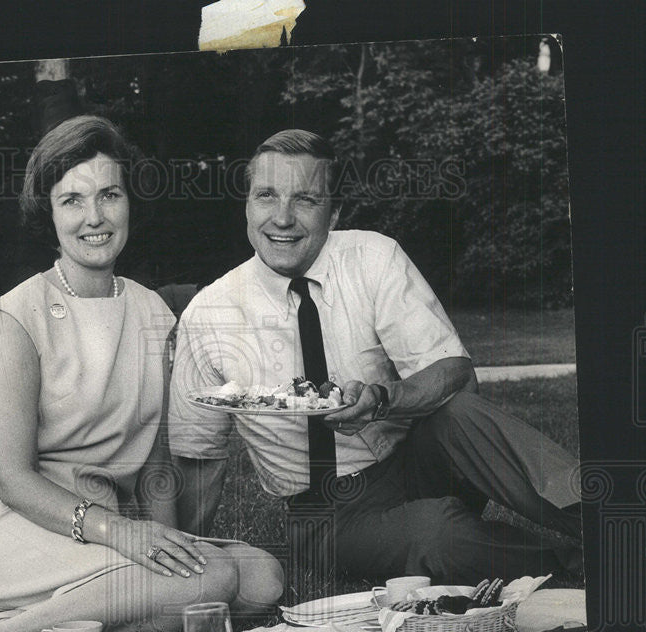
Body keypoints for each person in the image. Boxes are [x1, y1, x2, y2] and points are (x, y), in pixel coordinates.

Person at [0, 116, 283, 632]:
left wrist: (164, 543)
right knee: (210, 582)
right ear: (49, 213)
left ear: (128, 201)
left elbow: (154, 457)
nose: (94, 218)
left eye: (108, 195)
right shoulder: (19, 315)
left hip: (110, 531)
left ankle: (72, 625)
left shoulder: (152, 310)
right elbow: (13, 479)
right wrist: (129, 540)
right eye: (72, 201)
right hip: (19, 526)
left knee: (262, 581)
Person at [168, 128, 583, 589]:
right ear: (247, 205)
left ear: (335, 213)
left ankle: (609, 519)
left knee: (458, 412)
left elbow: (458, 376)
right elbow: (198, 458)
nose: (281, 218)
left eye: (305, 199)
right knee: (437, 535)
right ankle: (576, 563)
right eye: (266, 196)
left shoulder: (373, 257)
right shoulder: (208, 314)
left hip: (415, 461)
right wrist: (191, 565)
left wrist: (384, 398)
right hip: (325, 512)